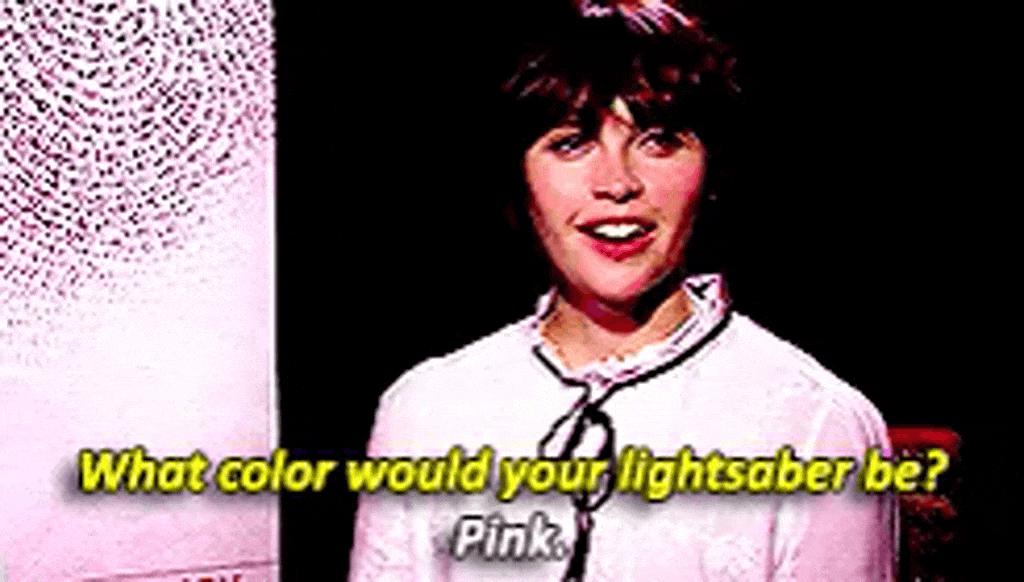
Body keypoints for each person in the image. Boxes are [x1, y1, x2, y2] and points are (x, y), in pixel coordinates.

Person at [348, 1, 896, 580]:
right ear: (520, 178)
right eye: (572, 144)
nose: (617, 184)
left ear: (708, 171)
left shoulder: (815, 425)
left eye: (657, 142)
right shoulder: (428, 410)